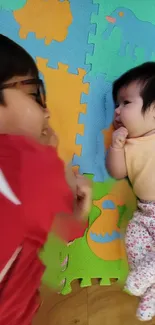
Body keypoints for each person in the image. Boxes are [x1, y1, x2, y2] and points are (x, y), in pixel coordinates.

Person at [0, 35, 92, 324]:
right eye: (34, 94)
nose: (47, 110)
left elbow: (41, 239)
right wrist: (49, 154)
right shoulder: (30, 163)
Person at [106, 62, 155, 321]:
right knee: (134, 239)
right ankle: (151, 286)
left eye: (126, 103)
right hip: (145, 213)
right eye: (117, 104)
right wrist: (115, 148)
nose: (117, 111)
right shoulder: (128, 143)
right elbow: (118, 172)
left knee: (146, 268)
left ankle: (148, 281)